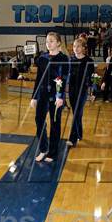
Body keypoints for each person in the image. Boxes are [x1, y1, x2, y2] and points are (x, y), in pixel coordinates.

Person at [31, 32, 69, 162]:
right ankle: (43, 149)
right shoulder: (42, 58)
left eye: (51, 41)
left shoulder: (64, 59)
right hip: (42, 94)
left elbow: (62, 79)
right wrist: (34, 97)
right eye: (47, 41)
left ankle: (53, 152)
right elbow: (38, 79)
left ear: (58, 42)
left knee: (54, 123)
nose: (48, 43)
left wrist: (60, 96)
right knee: (39, 120)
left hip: (55, 96)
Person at [67, 38, 94, 147]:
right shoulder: (70, 60)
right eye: (74, 46)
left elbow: (92, 78)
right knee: (76, 114)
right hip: (72, 91)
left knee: (76, 114)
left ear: (83, 48)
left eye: (78, 46)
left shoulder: (89, 61)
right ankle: (80, 133)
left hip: (82, 91)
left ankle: (72, 139)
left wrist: (92, 92)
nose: (75, 49)